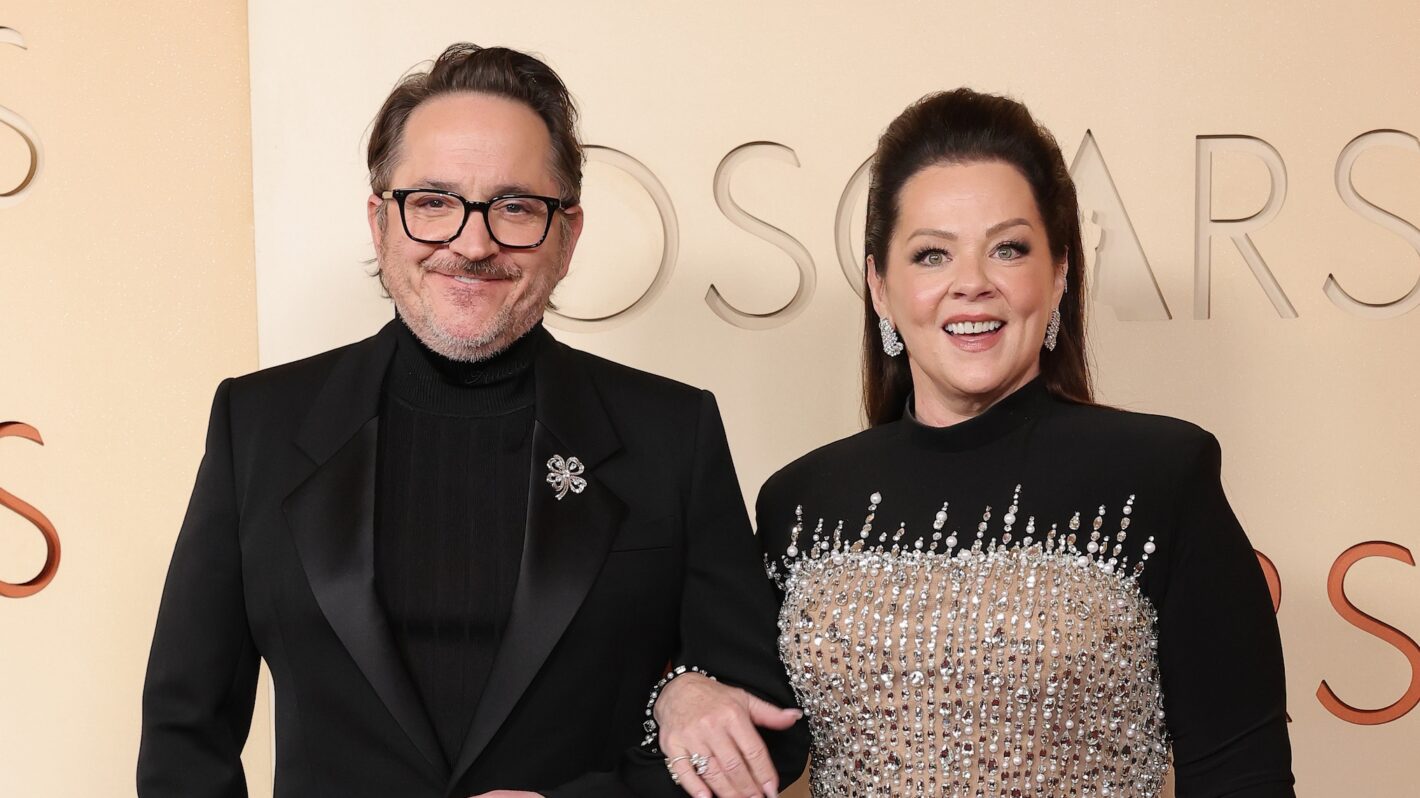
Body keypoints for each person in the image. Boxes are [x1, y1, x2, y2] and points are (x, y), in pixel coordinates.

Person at [137, 43, 807, 798]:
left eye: (516, 206)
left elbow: (768, 729)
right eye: (432, 202)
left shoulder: (670, 434)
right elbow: (183, 730)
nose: (472, 242)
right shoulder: (256, 424)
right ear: (380, 221)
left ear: (569, 233)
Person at [666, 88, 1294, 796]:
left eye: (1008, 249)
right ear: (880, 286)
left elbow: (1245, 775)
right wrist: (677, 690)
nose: (971, 284)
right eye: (932, 255)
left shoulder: (1163, 475)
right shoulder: (798, 503)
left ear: (1058, 273)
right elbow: (724, 715)